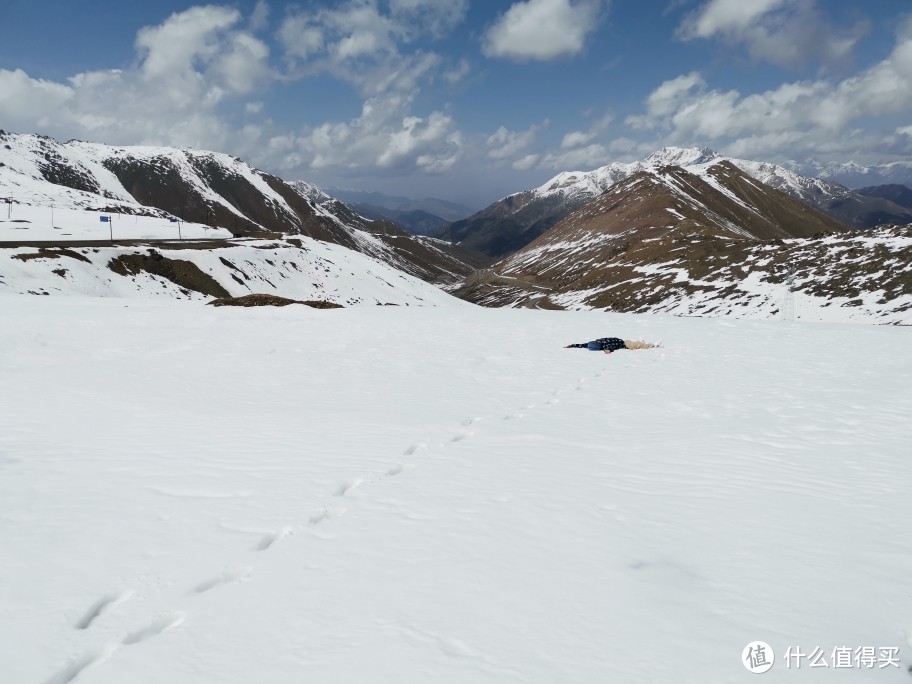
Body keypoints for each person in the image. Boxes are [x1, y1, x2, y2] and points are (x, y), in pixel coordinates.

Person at [565, 337, 657, 353]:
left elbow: (582, 345)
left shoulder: (601, 344)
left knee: (637, 344)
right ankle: (652, 345)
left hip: (624, 342)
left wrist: (572, 345)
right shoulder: (604, 345)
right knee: (637, 345)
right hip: (625, 343)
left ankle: (647, 344)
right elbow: (608, 350)